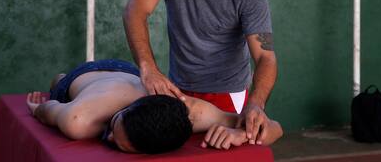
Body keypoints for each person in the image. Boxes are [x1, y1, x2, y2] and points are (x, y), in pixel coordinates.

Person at [123, 0, 277, 145]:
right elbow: (135, 11)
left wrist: (256, 103)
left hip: (228, 94)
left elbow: (266, 56)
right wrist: (148, 68)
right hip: (176, 89)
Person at [26, 59, 282, 154]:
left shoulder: (189, 111)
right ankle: (60, 78)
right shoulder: (79, 120)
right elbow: (50, 111)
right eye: (116, 126)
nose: (111, 136)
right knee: (60, 86)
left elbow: (275, 129)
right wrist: (37, 109)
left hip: (131, 74)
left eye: (119, 144)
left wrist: (243, 133)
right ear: (125, 112)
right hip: (87, 79)